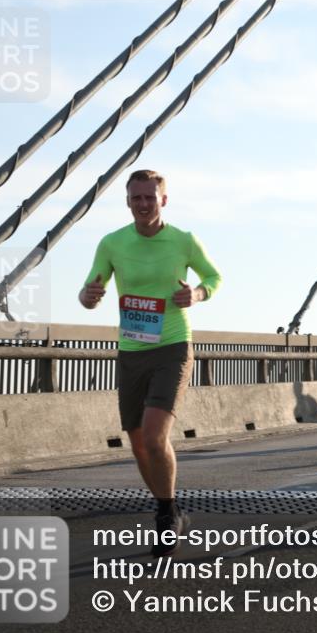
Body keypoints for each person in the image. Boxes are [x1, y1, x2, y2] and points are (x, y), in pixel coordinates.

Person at [79, 169, 222, 557]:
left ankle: (165, 515)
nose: (144, 204)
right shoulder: (112, 243)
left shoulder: (183, 240)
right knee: (139, 443)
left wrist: (197, 292)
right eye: (136, 198)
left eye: (150, 197)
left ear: (164, 200)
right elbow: (90, 292)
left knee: (156, 435)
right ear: (128, 202)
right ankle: (168, 505)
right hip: (131, 350)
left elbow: (214, 276)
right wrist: (89, 295)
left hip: (172, 346)